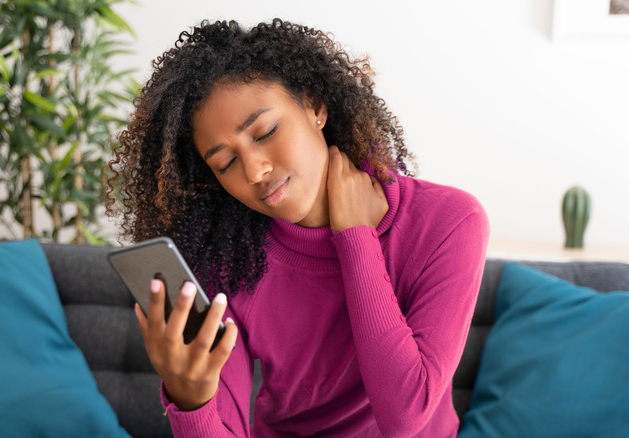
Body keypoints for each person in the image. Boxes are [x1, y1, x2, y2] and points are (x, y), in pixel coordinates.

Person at [105, 18, 490, 437]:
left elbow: (405, 416)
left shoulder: (450, 222)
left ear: (315, 107)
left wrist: (355, 239)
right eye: (225, 163)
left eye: (265, 131)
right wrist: (190, 399)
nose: (254, 171)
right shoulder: (230, 261)